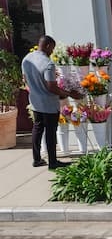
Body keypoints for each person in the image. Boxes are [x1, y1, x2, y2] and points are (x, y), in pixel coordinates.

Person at [21, 35, 84, 169]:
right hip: (48, 104)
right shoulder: (48, 63)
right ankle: (53, 162)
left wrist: (34, 89)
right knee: (50, 132)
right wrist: (70, 94)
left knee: (37, 129)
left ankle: (37, 159)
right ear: (48, 46)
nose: (52, 52)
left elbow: (25, 79)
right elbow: (52, 87)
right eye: (52, 48)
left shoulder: (27, 59)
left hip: (35, 101)